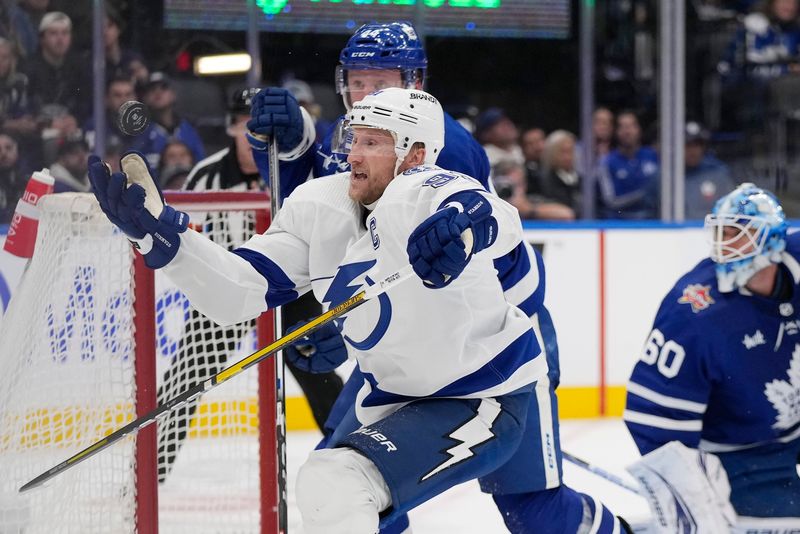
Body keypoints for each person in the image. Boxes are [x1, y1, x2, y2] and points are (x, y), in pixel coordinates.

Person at [88, 87, 624, 534]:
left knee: (347, 483)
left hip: (482, 393)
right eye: (353, 139)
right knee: (329, 488)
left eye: (373, 142)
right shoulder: (318, 206)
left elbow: (487, 212)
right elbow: (241, 292)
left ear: (414, 154)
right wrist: (167, 245)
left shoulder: (426, 190)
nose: (354, 153)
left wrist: (463, 222)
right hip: (394, 395)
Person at [244, 21, 619, 533]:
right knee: (351, 489)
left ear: (415, 83)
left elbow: (428, 259)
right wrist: (296, 149)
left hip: (492, 350)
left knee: (536, 514)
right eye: (357, 81)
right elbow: (324, 222)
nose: (366, 92)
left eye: (382, 82)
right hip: (410, 353)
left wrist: (336, 319)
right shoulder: (363, 139)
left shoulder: (440, 146)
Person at [154, 88, 344, 481]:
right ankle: (152, 470)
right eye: (242, 124)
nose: (249, 133)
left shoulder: (293, 169)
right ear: (231, 127)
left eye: (255, 124)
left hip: (293, 289)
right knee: (186, 377)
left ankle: (354, 455)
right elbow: (188, 235)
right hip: (230, 285)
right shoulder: (205, 174)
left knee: (318, 372)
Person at [624, 183, 800, 531]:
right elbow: (653, 417)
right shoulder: (693, 315)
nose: (725, 245)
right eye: (721, 232)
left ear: (773, 240)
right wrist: (690, 495)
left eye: (738, 235)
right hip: (736, 459)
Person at [130, 72, 205, 172]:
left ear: (173, 94)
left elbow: (201, 164)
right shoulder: (138, 133)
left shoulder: (189, 129)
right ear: (145, 97)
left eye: (164, 87)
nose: (158, 92)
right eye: (152, 89)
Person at [596, 110, 659, 219]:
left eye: (631, 126)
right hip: (621, 223)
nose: (627, 131)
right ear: (616, 131)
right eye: (623, 127)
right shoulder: (607, 162)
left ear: (639, 129)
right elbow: (611, 201)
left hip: (653, 221)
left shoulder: (653, 156)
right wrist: (645, 194)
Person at [683, 121, 735, 219]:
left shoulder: (718, 173)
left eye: (697, 145)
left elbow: (732, 210)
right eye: (688, 145)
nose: (693, 150)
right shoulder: (665, 176)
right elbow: (648, 212)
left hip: (711, 232)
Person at [537, 129, 582, 217]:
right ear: (551, 153)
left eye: (571, 151)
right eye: (563, 152)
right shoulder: (543, 180)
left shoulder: (583, 181)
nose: (568, 157)